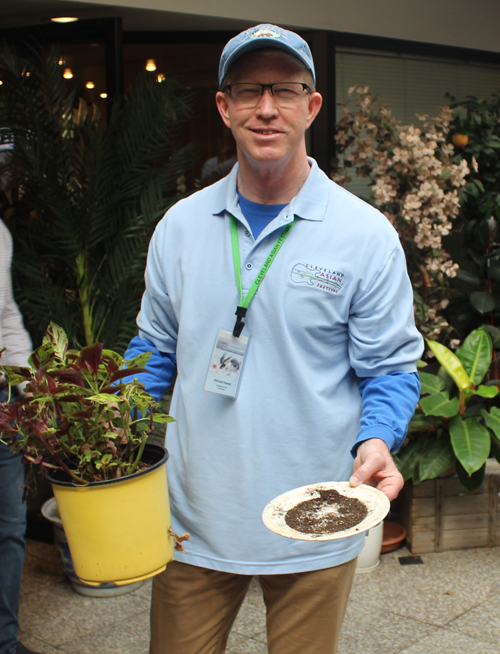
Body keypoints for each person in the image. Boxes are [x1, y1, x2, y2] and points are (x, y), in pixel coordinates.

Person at [124, 23, 423, 654]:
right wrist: (106, 427)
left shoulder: (363, 235)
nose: (266, 108)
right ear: (224, 106)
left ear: (311, 106)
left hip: (316, 512)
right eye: (250, 90)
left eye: (285, 90)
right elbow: (152, 346)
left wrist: (377, 439)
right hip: (195, 516)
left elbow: (390, 368)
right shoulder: (179, 227)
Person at [0, 218, 41, 654]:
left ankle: (5, 642)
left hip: (4, 403)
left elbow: (6, 313)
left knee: (9, 527)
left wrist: (32, 389)